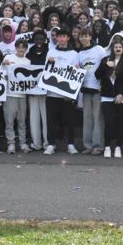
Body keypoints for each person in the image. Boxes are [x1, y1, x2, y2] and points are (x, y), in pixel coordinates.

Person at [44, 26, 80, 155]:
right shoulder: (51, 52)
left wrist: (76, 69)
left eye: (64, 36)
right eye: (59, 36)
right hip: (52, 94)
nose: (61, 39)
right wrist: (49, 63)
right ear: (56, 38)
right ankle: (51, 144)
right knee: (51, 120)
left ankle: (70, 144)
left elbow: (75, 75)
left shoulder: (74, 54)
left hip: (67, 95)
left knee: (70, 120)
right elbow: (46, 72)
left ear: (68, 38)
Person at [97, 38, 123, 158]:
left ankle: (118, 147)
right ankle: (107, 147)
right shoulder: (105, 60)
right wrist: (105, 65)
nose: (117, 49)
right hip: (107, 96)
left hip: (122, 97)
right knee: (109, 123)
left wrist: (122, 94)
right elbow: (97, 75)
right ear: (112, 48)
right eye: (115, 47)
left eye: (120, 47)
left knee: (120, 123)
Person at [77, 28, 107, 154]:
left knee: (98, 117)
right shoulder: (79, 54)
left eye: (86, 36)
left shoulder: (99, 49)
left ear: (90, 37)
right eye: (81, 36)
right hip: (86, 89)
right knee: (87, 117)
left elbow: (106, 65)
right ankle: (88, 145)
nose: (84, 38)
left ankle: (98, 145)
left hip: (98, 88)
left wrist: (104, 84)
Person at [1, 38, 31, 154]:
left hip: (22, 95)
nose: (21, 49)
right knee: (9, 121)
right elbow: (0, 74)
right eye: (19, 47)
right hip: (10, 94)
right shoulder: (8, 58)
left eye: (23, 47)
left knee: (22, 121)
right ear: (16, 47)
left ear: (26, 49)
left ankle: (23, 143)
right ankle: (11, 143)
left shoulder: (28, 62)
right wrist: (3, 65)